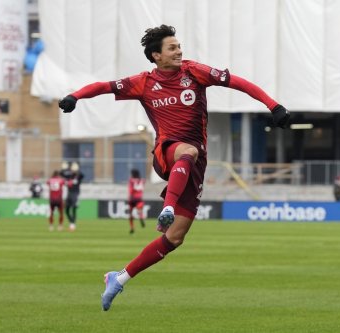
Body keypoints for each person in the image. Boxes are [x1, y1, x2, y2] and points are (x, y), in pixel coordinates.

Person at [58, 24, 290, 311]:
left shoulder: (194, 72)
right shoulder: (143, 82)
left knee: (175, 237)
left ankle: (119, 278)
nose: (179, 51)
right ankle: (167, 206)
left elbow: (239, 83)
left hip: (194, 164)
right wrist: (75, 97)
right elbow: (104, 87)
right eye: (172, 47)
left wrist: (273, 105)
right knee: (187, 151)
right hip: (167, 152)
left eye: (179, 46)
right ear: (156, 55)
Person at [65, 162, 84, 231]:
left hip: (75, 194)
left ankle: (73, 224)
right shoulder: (69, 176)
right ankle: (71, 221)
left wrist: (77, 172)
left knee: (74, 208)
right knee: (66, 209)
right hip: (69, 193)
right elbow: (63, 174)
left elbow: (82, 175)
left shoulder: (79, 176)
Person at [127, 169, 146, 234]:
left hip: (132, 199)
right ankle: (140, 217)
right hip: (139, 198)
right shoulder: (142, 180)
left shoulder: (131, 180)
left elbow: (130, 190)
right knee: (140, 211)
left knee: (130, 214)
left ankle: (132, 228)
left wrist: (129, 197)